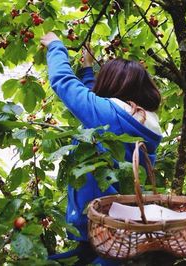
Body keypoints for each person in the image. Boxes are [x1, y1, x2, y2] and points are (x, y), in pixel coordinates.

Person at [40, 32, 163, 265]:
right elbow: (94, 104)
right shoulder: (142, 122)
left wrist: (56, 46)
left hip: (98, 225)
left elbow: (63, 82)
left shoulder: (108, 115)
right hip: (120, 225)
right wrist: (88, 69)